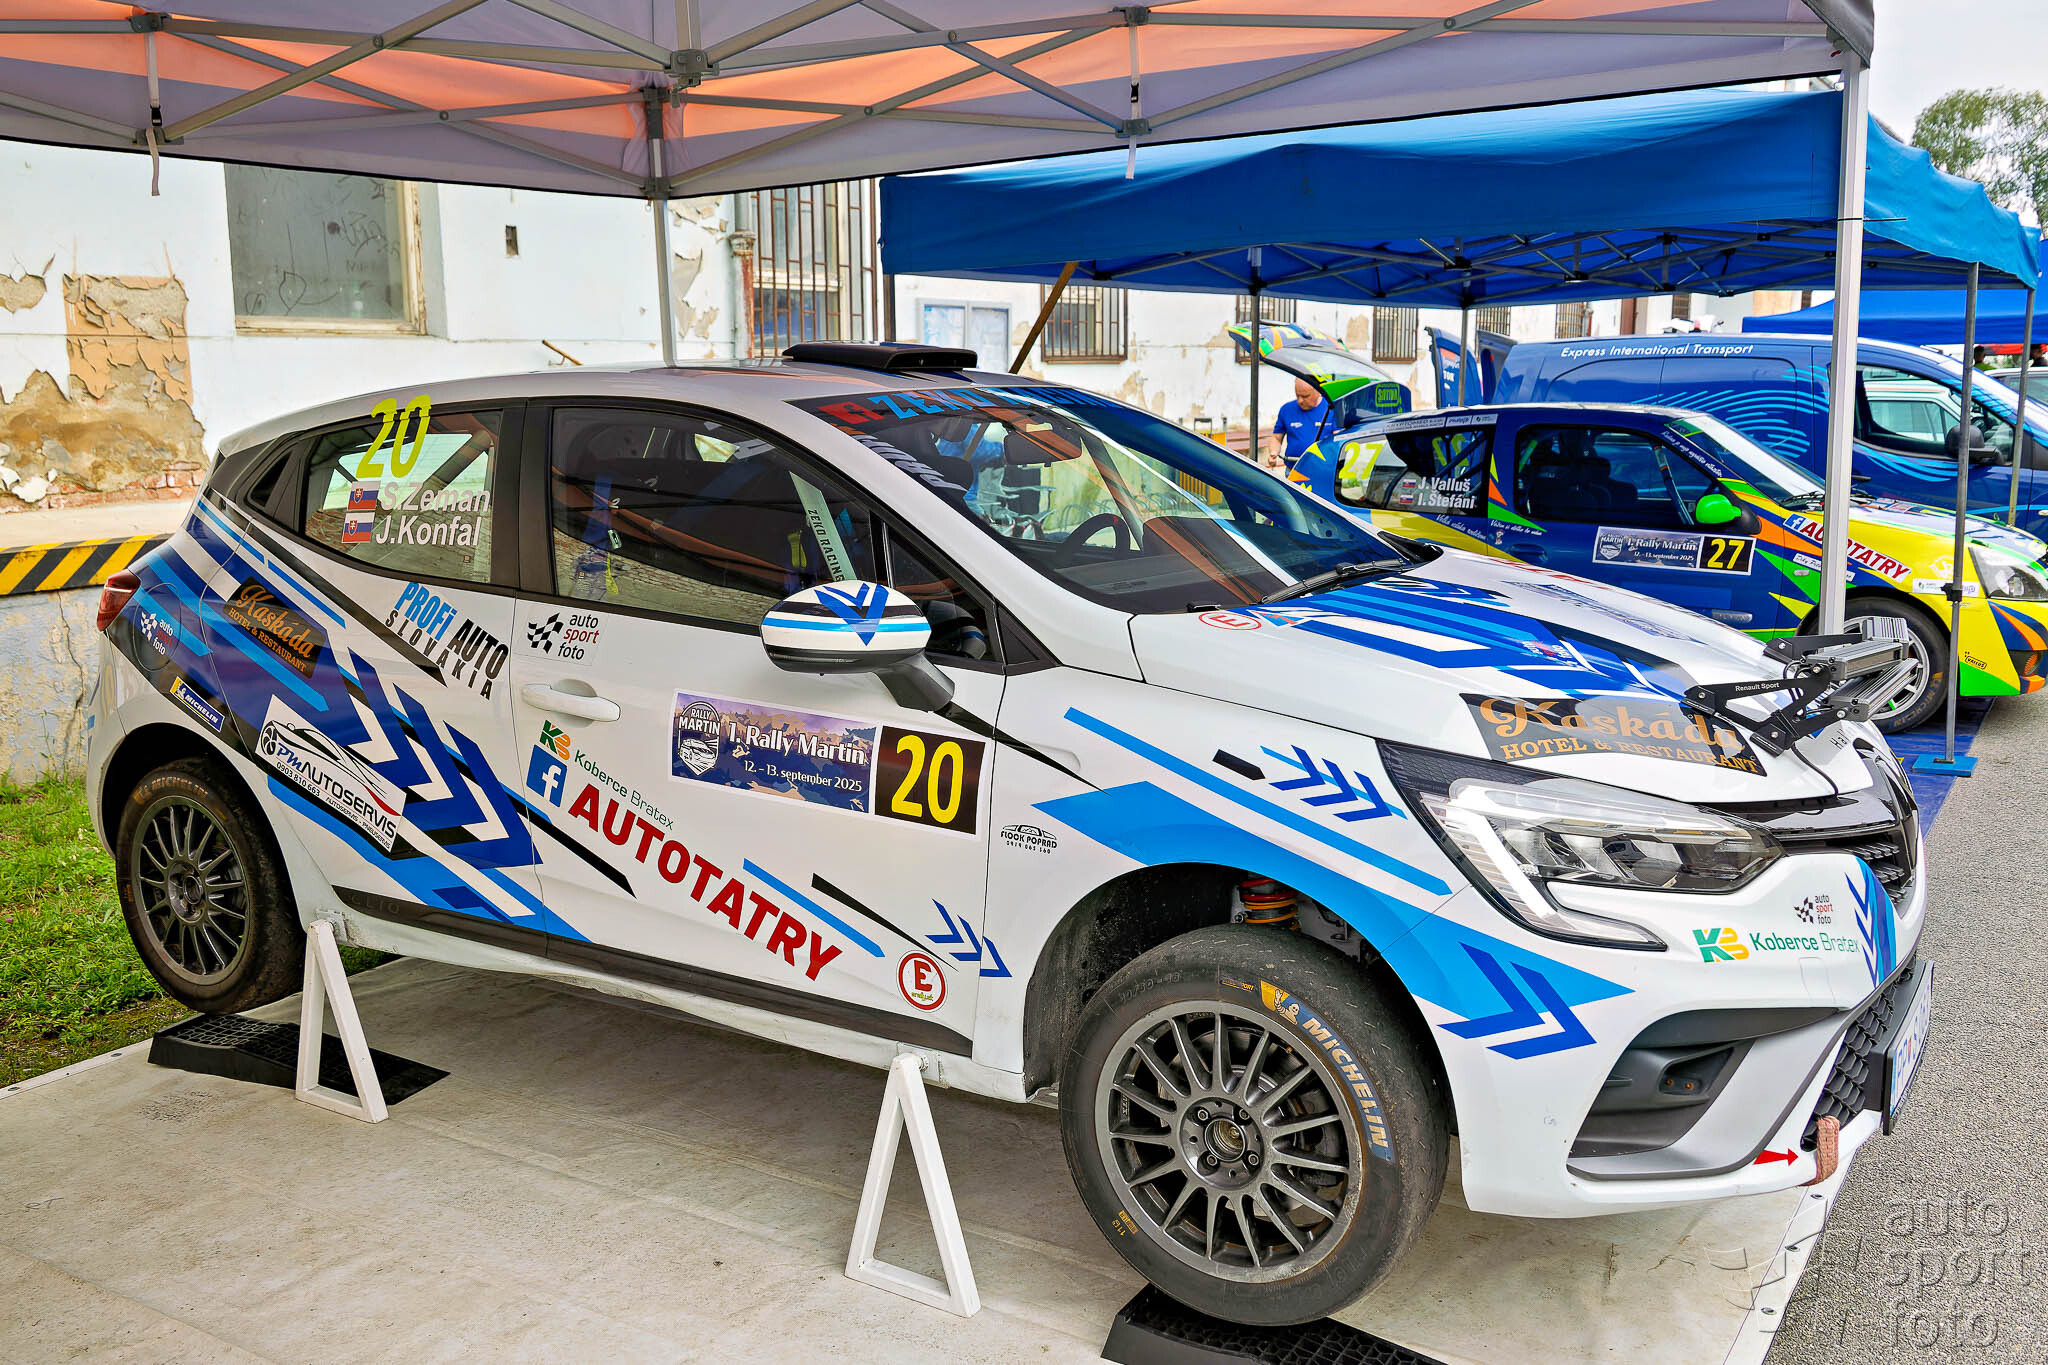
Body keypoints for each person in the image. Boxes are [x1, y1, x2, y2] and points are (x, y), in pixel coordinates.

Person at [1267, 377, 1331, 471]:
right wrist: (1273, 452)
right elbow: (1276, 437)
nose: (1300, 401)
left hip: (1322, 471)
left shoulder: (1331, 408)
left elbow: (1339, 440)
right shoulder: (1286, 410)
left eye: (1305, 396)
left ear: (1318, 392)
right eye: (1297, 396)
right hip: (1293, 470)